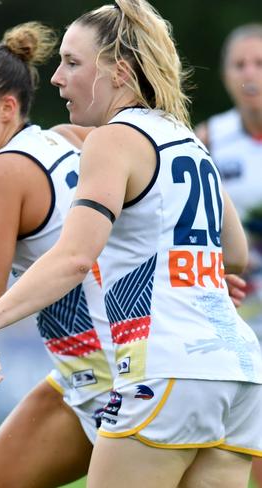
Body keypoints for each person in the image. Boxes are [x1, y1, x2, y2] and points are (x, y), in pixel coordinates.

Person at [0, 1, 262, 487]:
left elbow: (75, 258)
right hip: (239, 374)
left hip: (166, 370)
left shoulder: (112, 139)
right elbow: (238, 254)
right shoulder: (187, 139)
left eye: (73, 63)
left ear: (119, 71)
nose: (57, 77)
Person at [0, 22, 113, 487]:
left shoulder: (1, 174)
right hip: (96, 369)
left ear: (8, 107)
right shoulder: (70, 138)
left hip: (116, 373)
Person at [194, 23, 262, 488]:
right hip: (237, 316)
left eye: (260, 63)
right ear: (225, 76)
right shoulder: (208, 141)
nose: (251, 74)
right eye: (240, 65)